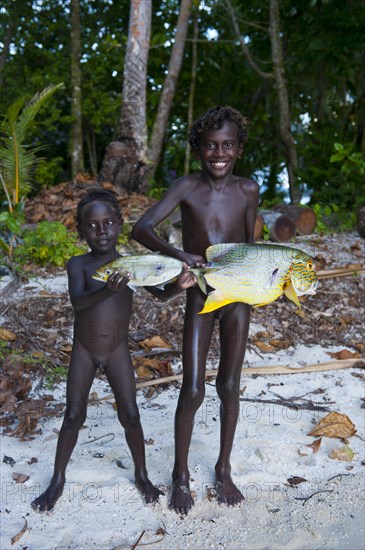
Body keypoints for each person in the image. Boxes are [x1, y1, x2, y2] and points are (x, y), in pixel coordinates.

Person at [31, 188, 195, 512]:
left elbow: (159, 294)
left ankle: (142, 475)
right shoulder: (77, 264)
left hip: (117, 350)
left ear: (119, 224)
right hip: (85, 351)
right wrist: (107, 290)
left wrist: (179, 286)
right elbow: (78, 303)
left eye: (108, 223)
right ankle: (57, 481)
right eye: (92, 226)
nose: (101, 231)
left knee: (130, 415)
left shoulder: (131, 265)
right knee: (74, 416)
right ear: (81, 230)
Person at [132, 106, 260, 515]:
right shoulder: (186, 187)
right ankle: (180, 475)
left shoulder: (249, 191)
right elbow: (141, 228)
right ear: (198, 150)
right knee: (192, 388)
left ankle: (224, 469)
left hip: (236, 297)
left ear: (239, 149)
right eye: (210, 146)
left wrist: (265, 282)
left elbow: (252, 249)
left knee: (229, 386)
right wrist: (180, 255)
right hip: (201, 296)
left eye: (227, 146)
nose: (218, 153)